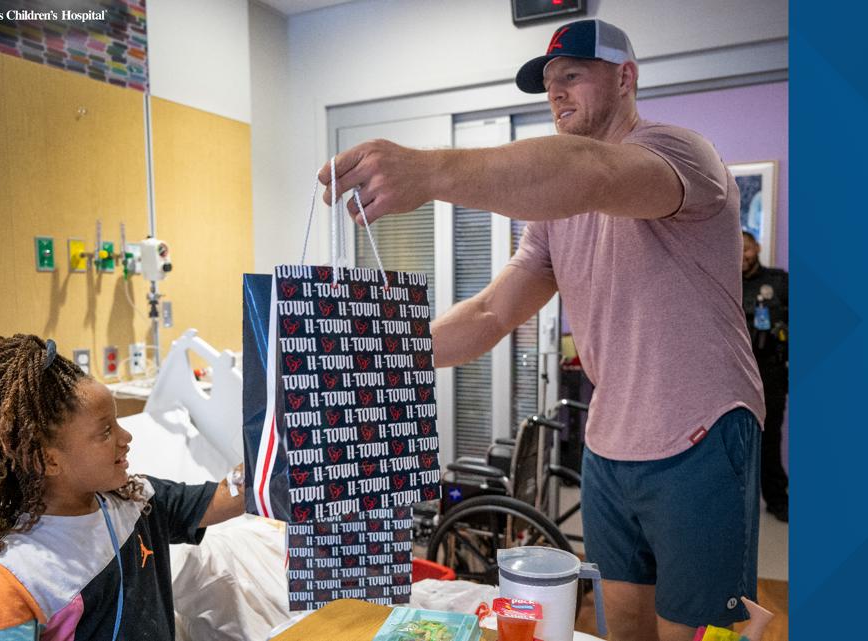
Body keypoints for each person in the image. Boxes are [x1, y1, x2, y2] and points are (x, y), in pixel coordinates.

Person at [319, 19, 765, 641]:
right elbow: (489, 314)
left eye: (573, 76)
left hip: (701, 433)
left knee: (697, 633)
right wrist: (382, 356)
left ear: (626, 79)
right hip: (611, 446)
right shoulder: (557, 217)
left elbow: (592, 172)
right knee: (624, 627)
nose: (557, 93)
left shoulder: (681, 154)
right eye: (549, 83)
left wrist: (430, 172)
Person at [0, 334, 245, 640]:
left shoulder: (135, 501)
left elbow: (223, 498)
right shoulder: (10, 577)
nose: (126, 437)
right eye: (106, 431)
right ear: (48, 461)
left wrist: (274, 450)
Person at [741, 231, 789, 522]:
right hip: (735, 374)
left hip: (770, 371)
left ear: (757, 247)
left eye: (746, 249)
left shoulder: (779, 281)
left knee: (770, 437)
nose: (741, 255)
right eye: (736, 249)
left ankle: (776, 498)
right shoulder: (723, 280)